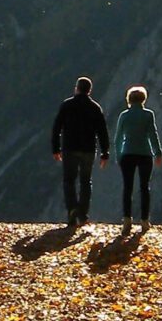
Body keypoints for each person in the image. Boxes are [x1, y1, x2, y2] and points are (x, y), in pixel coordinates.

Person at [51, 75, 110, 227]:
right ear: (90, 90)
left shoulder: (66, 105)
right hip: (88, 150)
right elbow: (102, 132)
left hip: (70, 148)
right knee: (85, 181)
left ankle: (72, 209)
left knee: (69, 180)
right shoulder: (95, 108)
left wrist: (55, 148)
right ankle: (83, 215)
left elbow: (57, 128)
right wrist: (105, 152)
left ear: (76, 88)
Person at [114, 84, 162, 236]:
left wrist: (118, 155)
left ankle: (127, 220)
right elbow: (152, 135)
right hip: (144, 154)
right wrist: (158, 153)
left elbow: (118, 138)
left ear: (129, 99)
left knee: (127, 187)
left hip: (127, 154)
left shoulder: (124, 115)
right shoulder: (148, 115)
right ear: (143, 99)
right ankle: (144, 220)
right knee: (144, 188)